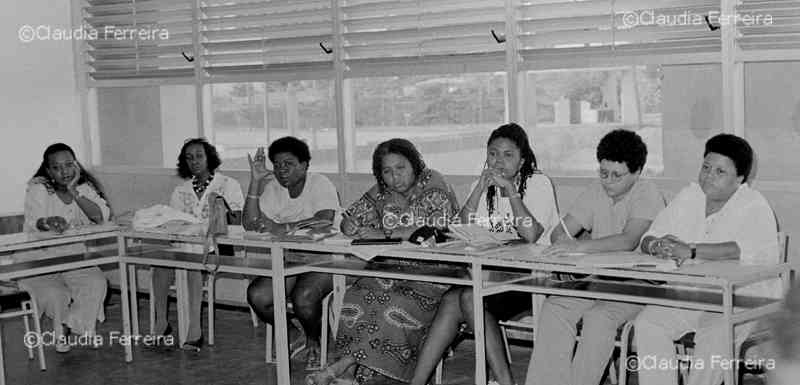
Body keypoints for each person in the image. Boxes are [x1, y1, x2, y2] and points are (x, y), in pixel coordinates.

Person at [410, 123, 560, 385]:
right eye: (493, 154)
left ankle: (504, 381)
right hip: (489, 273)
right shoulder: (481, 185)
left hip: (532, 276)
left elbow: (530, 235)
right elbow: (460, 229)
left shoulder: (538, 183)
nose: (498, 161)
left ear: (522, 159)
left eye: (507, 155)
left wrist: (511, 191)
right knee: (453, 298)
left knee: (467, 296)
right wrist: (479, 189)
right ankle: (417, 382)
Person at [307, 138, 459, 385]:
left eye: (400, 168)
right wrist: (350, 225)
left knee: (393, 305)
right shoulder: (381, 191)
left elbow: (435, 229)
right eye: (386, 171)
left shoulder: (433, 183)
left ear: (415, 164)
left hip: (434, 273)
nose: (394, 177)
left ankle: (344, 365)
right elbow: (349, 218)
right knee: (356, 294)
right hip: (391, 269)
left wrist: (385, 233)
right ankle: (348, 372)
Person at [634, 134, 781, 385]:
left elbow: (739, 249)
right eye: (705, 167)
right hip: (692, 292)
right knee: (648, 323)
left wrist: (691, 251)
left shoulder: (753, 204)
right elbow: (648, 237)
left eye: (720, 171)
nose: (708, 176)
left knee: (714, 333)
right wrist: (657, 245)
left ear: (740, 179)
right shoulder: (689, 196)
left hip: (742, 298)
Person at [526, 129, 665, 385]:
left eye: (617, 175)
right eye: (603, 172)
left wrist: (579, 247)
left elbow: (628, 240)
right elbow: (560, 234)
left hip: (640, 284)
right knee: (555, 307)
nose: (608, 181)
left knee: (599, 318)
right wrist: (570, 244)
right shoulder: (595, 190)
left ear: (637, 172)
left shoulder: (648, 193)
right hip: (600, 280)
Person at [244, 136, 340, 370]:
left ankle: (314, 341)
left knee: (303, 298)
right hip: (289, 258)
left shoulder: (320, 183)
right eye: (276, 165)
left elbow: (324, 220)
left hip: (324, 260)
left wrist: (284, 227)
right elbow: (249, 222)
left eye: (288, 164)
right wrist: (255, 182)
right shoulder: (274, 189)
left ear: (304, 164)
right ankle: (294, 330)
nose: (281, 170)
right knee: (258, 296)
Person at [151, 138, 244, 350]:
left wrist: (222, 209)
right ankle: (162, 322)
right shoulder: (181, 190)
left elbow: (237, 221)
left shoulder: (228, 184)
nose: (194, 161)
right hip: (185, 244)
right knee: (160, 264)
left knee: (194, 264)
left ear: (209, 157)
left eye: (199, 156)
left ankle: (194, 328)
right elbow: (174, 222)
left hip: (218, 246)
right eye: (189, 158)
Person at [20, 142, 111, 353]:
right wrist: (48, 222)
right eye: (57, 167)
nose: (64, 171)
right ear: (48, 170)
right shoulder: (39, 188)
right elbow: (36, 221)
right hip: (38, 259)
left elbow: (100, 217)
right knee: (56, 294)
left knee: (97, 283)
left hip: (73, 256)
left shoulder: (84, 188)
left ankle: (68, 325)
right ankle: (64, 332)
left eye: (69, 165)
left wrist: (74, 192)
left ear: (76, 165)